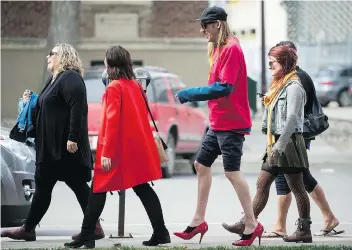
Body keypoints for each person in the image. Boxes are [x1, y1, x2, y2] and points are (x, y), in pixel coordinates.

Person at [222, 41, 342, 238]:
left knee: (297, 186)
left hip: (288, 143)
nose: (270, 67)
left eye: (273, 63)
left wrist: (280, 145)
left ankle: (304, 230)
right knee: (263, 183)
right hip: (276, 142)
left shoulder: (294, 85)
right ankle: (247, 222)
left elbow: (293, 118)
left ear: (285, 62)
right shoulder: (280, 84)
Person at [172, 6, 263, 247]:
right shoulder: (219, 48)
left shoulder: (232, 48)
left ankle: (252, 224)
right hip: (218, 121)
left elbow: (225, 87)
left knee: (232, 172)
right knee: (201, 165)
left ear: (218, 25)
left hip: (232, 123)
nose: (202, 30)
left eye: (206, 25)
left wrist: (190, 93)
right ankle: (198, 220)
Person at [64, 45, 170, 249]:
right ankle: (161, 232)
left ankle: (87, 233)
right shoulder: (135, 86)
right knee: (143, 188)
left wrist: (107, 152)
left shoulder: (114, 87)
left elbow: (111, 122)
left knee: (98, 187)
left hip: (118, 150)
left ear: (109, 63)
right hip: (137, 148)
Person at [1, 43, 104, 241]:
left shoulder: (70, 77)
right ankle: (29, 228)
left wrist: (73, 137)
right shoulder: (54, 80)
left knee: (75, 185)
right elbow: (50, 106)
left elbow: (77, 107)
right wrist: (30, 101)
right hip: (51, 147)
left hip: (65, 146)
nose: (48, 56)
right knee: (47, 186)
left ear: (64, 56)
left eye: (52, 53)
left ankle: (91, 227)